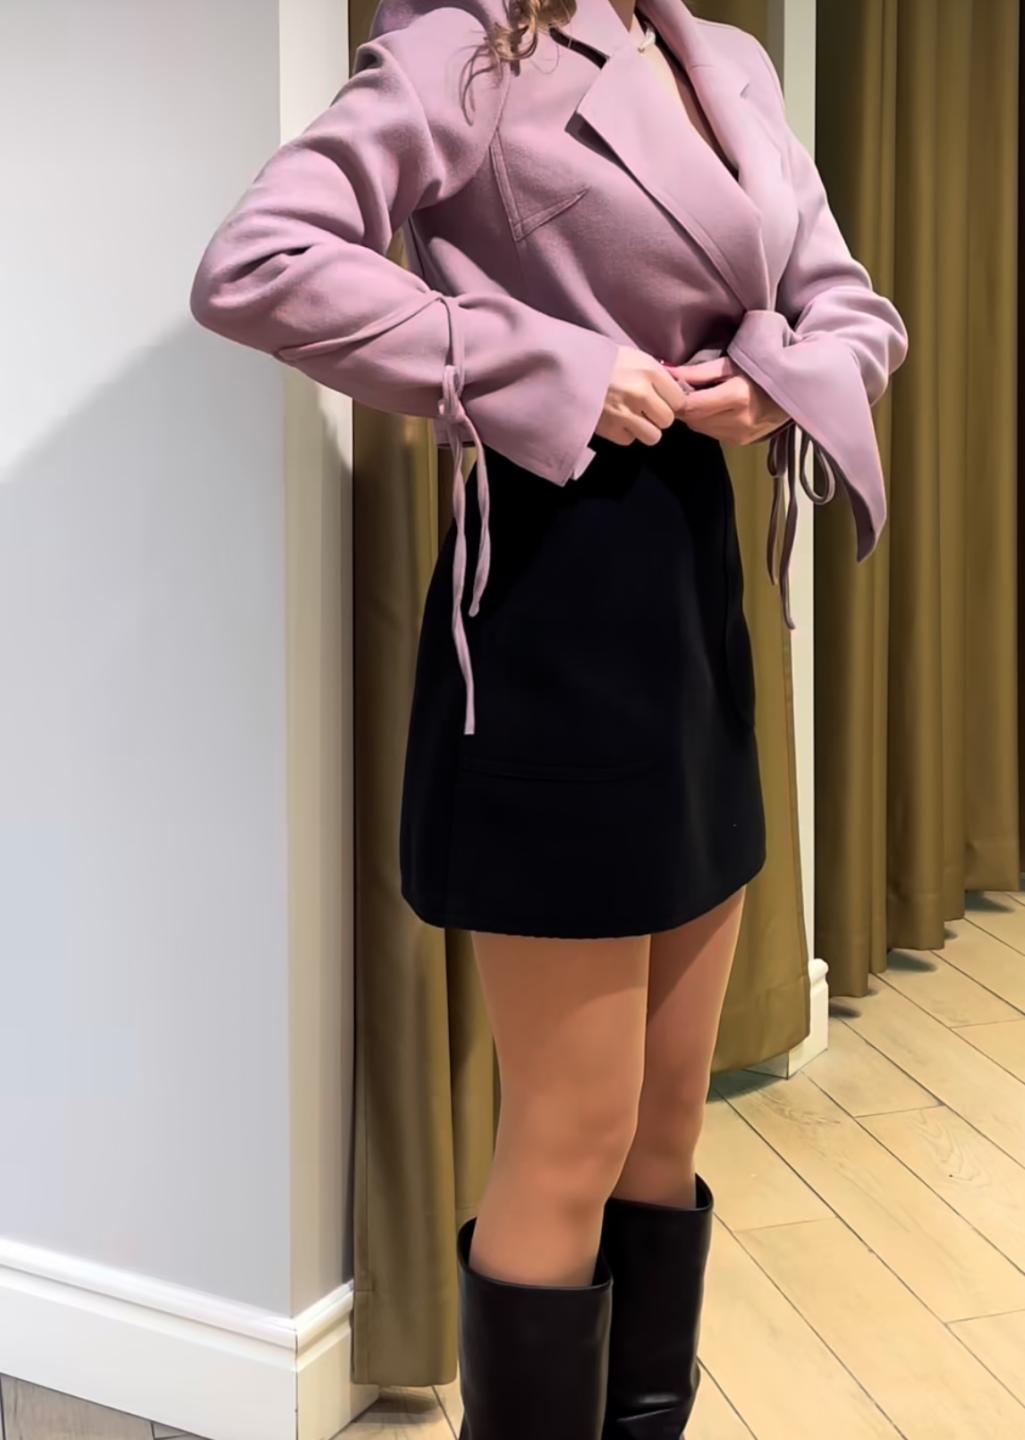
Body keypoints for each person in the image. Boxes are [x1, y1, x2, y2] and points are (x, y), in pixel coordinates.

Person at [189, 0, 908, 1433]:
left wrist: (775, 378)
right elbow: (258, 262)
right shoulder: (462, 51)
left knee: (665, 1119)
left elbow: (853, 307)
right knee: (572, 1130)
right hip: (550, 608)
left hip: (697, 603)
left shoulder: (726, 60)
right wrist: (553, 366)